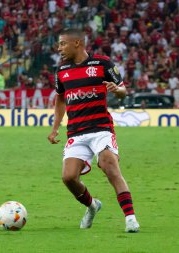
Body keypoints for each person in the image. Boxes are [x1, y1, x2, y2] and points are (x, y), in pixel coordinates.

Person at [47, 29, 139, 233]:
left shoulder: (102, 64)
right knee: (69, 178)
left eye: (63, 44)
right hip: (76, 132)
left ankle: (130, 218)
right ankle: (92, 206)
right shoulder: (61, 71)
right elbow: (60, 99)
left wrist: (118, 90)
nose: (59, 48)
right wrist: (55, 129)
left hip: (101, 129)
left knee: (109, 165)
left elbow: (124, 90)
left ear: (77, 43)